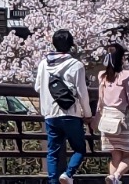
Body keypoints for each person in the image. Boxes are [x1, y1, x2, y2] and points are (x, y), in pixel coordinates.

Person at [34, 29, 92, 184]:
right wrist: (87, 114)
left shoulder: (43, 64)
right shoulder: (76, 64)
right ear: (71, 44)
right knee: (79, 148)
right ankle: (68, 174)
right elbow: (82, 92)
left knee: (52, 152)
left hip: (50, 114)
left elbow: (37, 87)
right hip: (70, 113)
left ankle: (53, 182)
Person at [93, 43, 129, 184]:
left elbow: (100, 101)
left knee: (115, 155)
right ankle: (115, 176)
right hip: (121, 119)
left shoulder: (102, 76)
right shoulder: (126, 76)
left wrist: (95, 119)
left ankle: (113, 178)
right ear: (121, 58)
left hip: (106, 120)